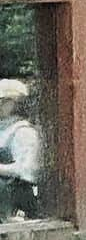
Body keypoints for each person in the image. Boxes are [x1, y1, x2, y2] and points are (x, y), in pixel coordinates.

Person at [0, 78, 41, 220]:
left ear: (11, 103)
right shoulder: (3, 129)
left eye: (2, 101)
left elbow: (27, 170)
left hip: (16, 200)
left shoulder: (23, 132)